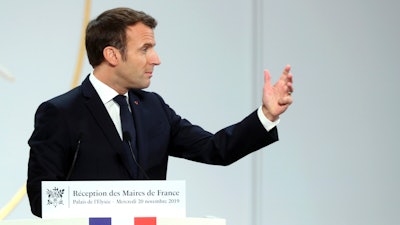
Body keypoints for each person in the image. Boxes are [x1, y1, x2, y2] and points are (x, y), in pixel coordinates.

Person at [27, 7, 294, 217]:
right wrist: (106, 203)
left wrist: (266, 116)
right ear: (112, 55)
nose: (156, 59)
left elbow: (215, 149)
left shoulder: (154, 108)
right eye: (145, 49)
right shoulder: (60, 113)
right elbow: (42, 199)